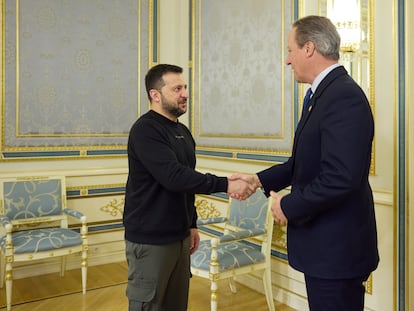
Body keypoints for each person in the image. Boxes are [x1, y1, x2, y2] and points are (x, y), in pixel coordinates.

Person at [231, 16, 379, 311]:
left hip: (336, 252)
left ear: (309, 48)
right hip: (324, 250)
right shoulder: (319, 96)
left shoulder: (343, 97)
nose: (287, 60)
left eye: (290, 50)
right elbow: (300, 163)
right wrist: (258, 180)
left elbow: (340, 177)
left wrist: (287, 205)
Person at [123, 64, 255, 311]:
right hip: (151, 239)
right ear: (155, 94)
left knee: (176, 306)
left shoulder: (182, 131)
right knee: (148, 305)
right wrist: (226, 184)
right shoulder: (145, 130)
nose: (185, 93)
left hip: (180, 236)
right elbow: (173, 177)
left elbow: (186, 181)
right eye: (177, 89)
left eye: (185, 87)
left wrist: (191, 223)